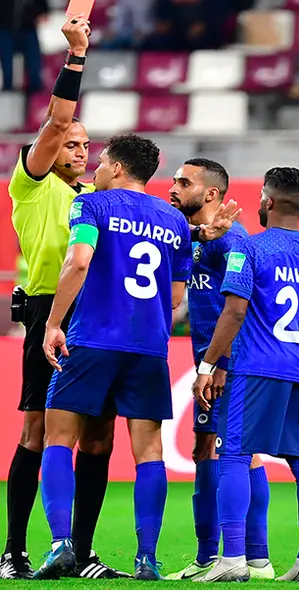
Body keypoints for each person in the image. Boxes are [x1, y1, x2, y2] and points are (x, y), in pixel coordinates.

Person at [34, 133, 192, 580]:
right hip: (148, 348)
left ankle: (62, 544)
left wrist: (53, 323)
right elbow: (177, 295)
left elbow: (79, 261)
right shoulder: (174, 220)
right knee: (148, 453)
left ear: (118, 168)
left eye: (102, 161)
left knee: (59, 439)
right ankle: (147, 559)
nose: (96, 169)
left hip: (92, 340)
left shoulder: (92, 206)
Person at [2, 15, 125, 581]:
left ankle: (81, 551)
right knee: (35, 433)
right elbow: (56, 120)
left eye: (85, 145)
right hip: (47, 311)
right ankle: (14, 550)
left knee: (97, 437)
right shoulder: (31, 182)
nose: (79, 149)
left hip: (95, 318)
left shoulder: (95, 199)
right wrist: (76, 57)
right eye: (70, 143)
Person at [192, 167, 299, 583]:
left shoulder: (250, 250)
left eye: (260, 195)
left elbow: (235, 310)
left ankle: (234, 559)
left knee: (234, 456)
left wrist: (208, 366)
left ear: (269, 201)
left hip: (254, 369)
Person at [165, 159, 273, 581]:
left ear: (210, 194)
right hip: (207, 362)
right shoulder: (193, 238)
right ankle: (211, 556)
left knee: (237, 455)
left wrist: (220, 364)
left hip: (230, 366)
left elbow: (239, 309)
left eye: (183, 182)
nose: (173, 187)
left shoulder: (234, 241)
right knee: (205, 451)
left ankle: (255, 559)